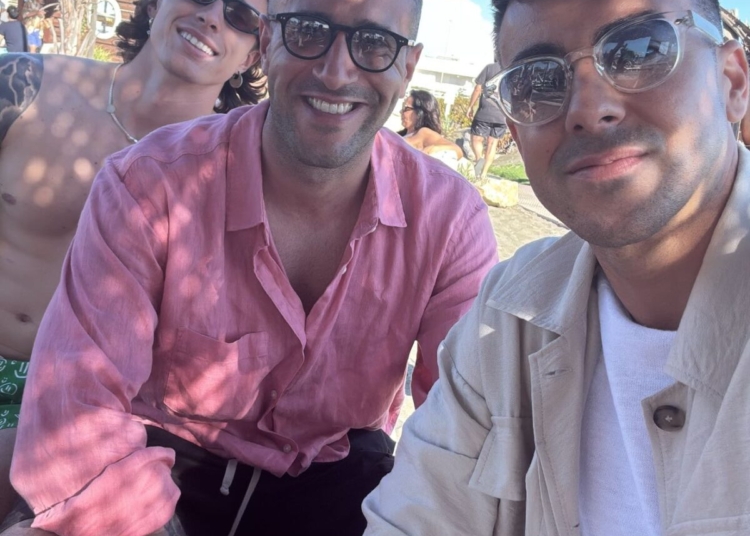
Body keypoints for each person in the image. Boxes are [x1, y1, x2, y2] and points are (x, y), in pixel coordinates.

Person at [7, 0, 498, 534]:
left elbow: (466, 444)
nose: (336, 72)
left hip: (339, 482)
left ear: (408, 66)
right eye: (309, 31)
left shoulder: (449, 220)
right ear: (266, 43)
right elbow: (79, 410)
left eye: (375, 43)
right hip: (159, 469)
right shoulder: (148, 183)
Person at [364, 0, 750, 534]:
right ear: (516, 132)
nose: (589, 108)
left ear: (733, 81)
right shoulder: (507, 318)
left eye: (640, 51)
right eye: (537, 83)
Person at [0, 0, 265, 524]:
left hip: (87, 410)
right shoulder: (25, 85)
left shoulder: (240, 174)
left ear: (254, 55)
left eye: (240, 14)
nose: (212, 17)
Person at [465, 61, 506, 180]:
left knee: (476, 139)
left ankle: (479, 159)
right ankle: (484, 173)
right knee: (492, 143)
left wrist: (470, 106)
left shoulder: (489, 68)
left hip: (485, 112)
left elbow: (478, 89)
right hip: (502, 114)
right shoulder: (513, 69)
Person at [399, 89, 463, 163]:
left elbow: (457, 150)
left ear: (420, 112)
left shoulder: (424, 132)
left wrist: (432, 150)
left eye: (406, 108)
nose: (401, 111)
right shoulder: (404, 134)